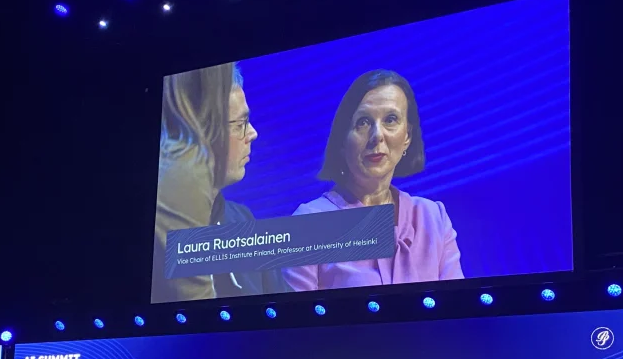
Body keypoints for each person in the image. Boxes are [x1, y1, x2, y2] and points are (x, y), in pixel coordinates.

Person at [282, 69, 464, 292]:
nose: (377, 135)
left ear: (407, 136)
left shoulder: (433, 217)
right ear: (343, 140)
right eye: (364, 122)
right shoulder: (308, 223)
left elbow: (457, 305)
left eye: (390, 120)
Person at [151, 64, 291, 302]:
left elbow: (285, 306)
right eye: (240, 124)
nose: (253, 133)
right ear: (198, 132)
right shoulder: (160, 226)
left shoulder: (243, 221)